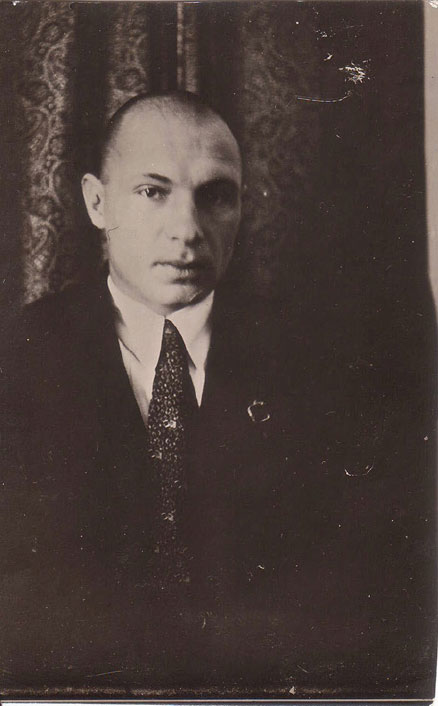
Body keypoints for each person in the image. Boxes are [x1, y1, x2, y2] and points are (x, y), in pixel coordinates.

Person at [0, 91, 436, 699]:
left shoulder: (320, 368)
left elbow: (363, 601)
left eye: (215, 196)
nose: (187, 230)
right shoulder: (18, 359)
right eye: (152, 192)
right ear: (97, 203)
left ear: (241, 207)